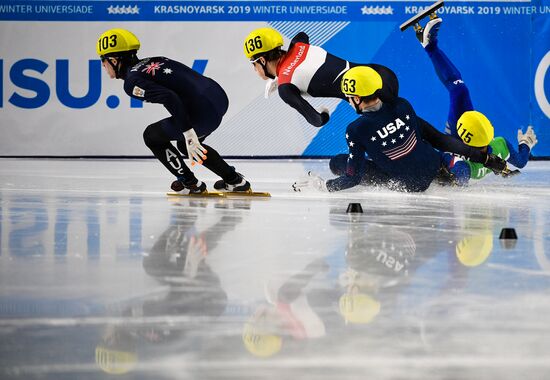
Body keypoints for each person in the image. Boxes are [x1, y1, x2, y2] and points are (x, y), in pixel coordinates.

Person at [292, 66, 507, 193]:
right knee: (413, 143)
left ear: (357, 98)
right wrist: (485, 158)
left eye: (349, 99)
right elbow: (439, 139)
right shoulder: (402, 105)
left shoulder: (355, 129)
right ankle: (444, 168)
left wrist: (324, 186)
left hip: (407, 185)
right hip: (433, 167)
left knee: (337, 162)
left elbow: (353, 178)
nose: (349, 103)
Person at [97, 28, 251, 194]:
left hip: (203, 113)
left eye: (103, 61)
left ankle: (190, 183)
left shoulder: (131, 82)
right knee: (186, 145)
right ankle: (234, 180)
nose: (103, 66)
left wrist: (189, 133)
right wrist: (189, 135)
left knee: (151, 136)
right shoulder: (155, 59)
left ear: (113, 60)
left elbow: (169, 97)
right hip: (218, 99)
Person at [412, 15, 538, 185]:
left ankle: (430, 47)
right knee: (459, 89)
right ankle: (429, 46)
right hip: (470, 135)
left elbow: (456, 179)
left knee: (459, 90)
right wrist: (525, 144)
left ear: (465, 140)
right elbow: (521, 161)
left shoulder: (467, 166)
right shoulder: (499, 145)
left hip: (453, 142)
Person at [242, 27, 400, 127]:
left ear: (262, 61)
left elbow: (316, 121)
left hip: (367, 99)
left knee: (339, 162)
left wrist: (324, 113)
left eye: (254, 65)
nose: (255, 70)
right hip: (383, 74)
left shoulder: (285, 88)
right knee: (409, 125)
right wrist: (280, 75)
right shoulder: (298, 44)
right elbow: (302, 34)